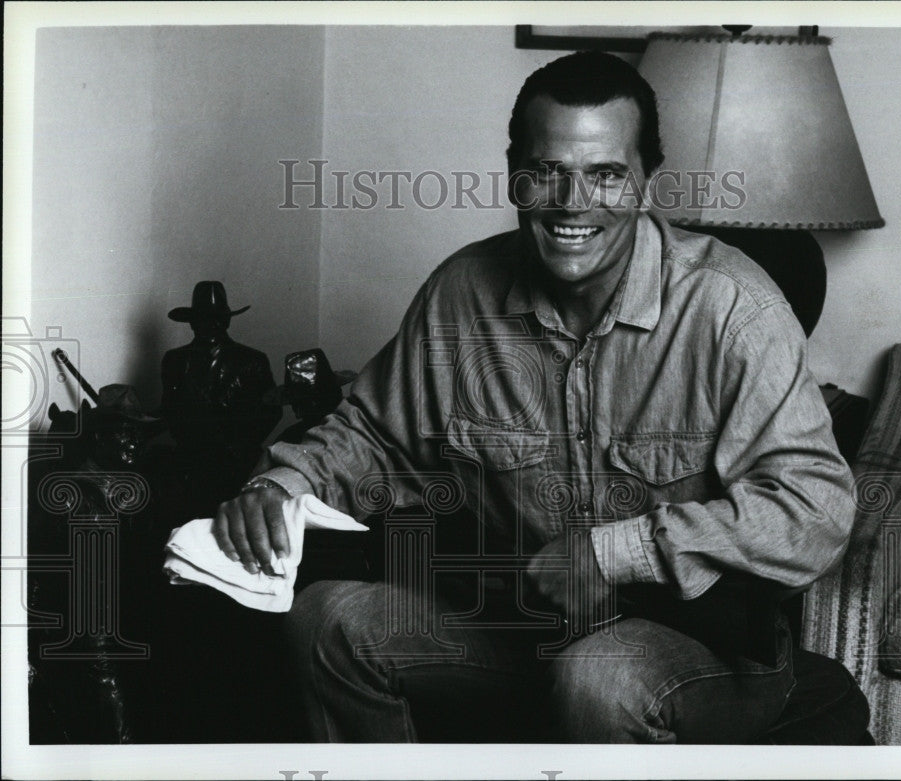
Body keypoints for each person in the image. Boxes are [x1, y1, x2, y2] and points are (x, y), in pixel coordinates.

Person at [212, 52, 856, 743]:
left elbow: (813, 508)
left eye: (606, 174)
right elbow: (372, 435)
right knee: (328, 622)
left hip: (708, 653)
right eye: (548, 171)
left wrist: (616, 554)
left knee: (600, 671)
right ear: (515, 172)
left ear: (647, 183)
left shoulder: (734, 310)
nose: (573, 201)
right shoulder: (461, 294)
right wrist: (285, 482)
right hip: (522, 633)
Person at [162, 281, 282, 511]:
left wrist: (238, 446)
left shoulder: (253, 360)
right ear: (191, 322)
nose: (208, 325)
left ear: (225, 320)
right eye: (201, 318)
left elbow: (271, 410)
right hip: (191, 466)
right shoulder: (174, 360)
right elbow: (169, 408)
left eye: (215, 318)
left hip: (239, 466)